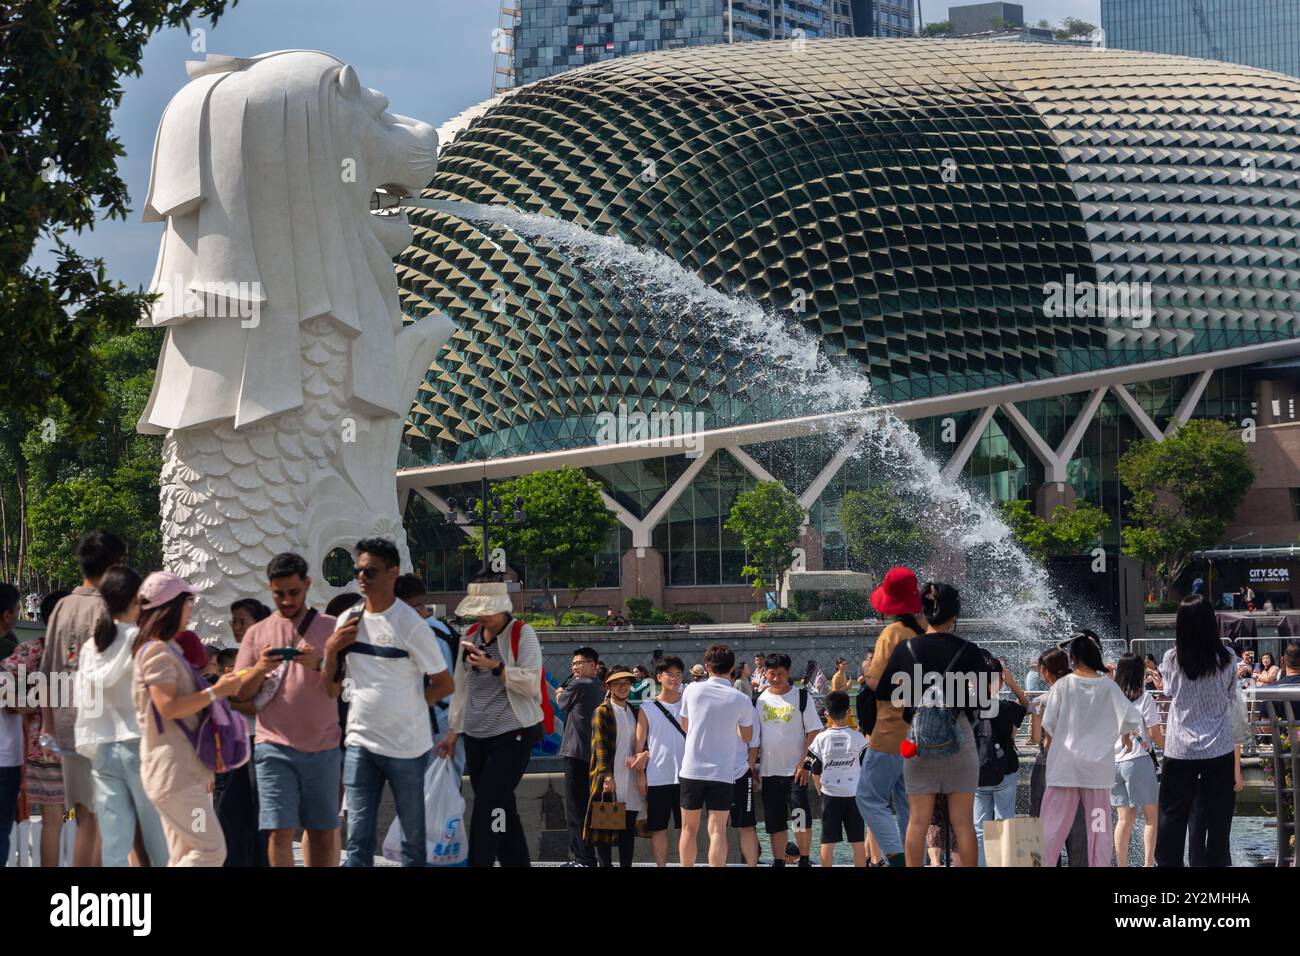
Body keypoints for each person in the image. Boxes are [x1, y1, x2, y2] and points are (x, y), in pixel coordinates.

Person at [323, 539, 452, 867]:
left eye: (370, 571)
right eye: (358, 571)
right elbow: (329, 688)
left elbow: (444, 683)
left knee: (412, 842)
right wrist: (331, 650)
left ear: (392, 573)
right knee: (357, 839)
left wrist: (412, 705)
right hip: (360, 743)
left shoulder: (410, 625)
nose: (361, 577)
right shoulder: (348, 621)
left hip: (407, 747)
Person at [234, 553, 344, 867]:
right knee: (279, 833)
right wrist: (259, 668)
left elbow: (339, 689)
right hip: (274, 747)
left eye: (293, 592)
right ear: (269, 588)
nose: (286, 600)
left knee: (322, 831)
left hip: (322, 746)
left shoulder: (329, 628)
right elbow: (241, 693)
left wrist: (321, 664)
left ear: (307, 584)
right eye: (278, 593)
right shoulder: (257, 633)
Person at [877, 581, 997, 868]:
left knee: (917, 821)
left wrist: (913, 697)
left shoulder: (906, 649)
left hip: (918, 743)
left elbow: (883, 692)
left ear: (923, 612)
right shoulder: (969, 650)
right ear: (955, 615)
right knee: (963, 823)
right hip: (961, 739)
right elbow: (982, 701)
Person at [133, 571, 244, 866]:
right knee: (210, 851)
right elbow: (167, 706)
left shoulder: (167, 650)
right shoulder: (157, 653)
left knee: (185, 853)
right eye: (188, 601)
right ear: (171, 607)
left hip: (180, 773)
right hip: (175, 775)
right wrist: (216, 692)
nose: (191, 608)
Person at [436, 573, 542, 867]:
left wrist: (495, 666)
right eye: (478, 612)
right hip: (476, 734)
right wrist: (454, 732)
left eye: (487, 612)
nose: (482, 617)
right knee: (502, 806)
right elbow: (461, 686)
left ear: (503, 607)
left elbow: (532, 683)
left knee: (485, 807)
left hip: (512, 733)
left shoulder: (522, 633)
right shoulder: (469, 635)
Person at [71, 566, 169, 868]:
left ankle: (116, 911)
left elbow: (83, 700)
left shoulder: (92, 646)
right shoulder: (142, 641)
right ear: (136, 599)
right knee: (157, 841)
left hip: (101, 748)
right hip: (139, 743)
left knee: (115, 843)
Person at [38, 529, 126, 866]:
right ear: (115, 564)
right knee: (105, 819)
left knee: (86, 819)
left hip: (67, 729)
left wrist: (49, 725)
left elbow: (46, 674)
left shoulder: (62, 606)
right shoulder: (110, 608)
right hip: (105, 728)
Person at [1040, 632, 1140, 868]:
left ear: (1072, 657)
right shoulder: (1108, 687)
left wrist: (1046, 746)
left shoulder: (1063, 685)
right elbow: (1129, 718)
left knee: (1051, 828)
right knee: (1098, 829)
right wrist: (1125, 737)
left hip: (1065, 768)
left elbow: (1049, 726)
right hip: (1096, 772)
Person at [1156, 593, 1241, 867]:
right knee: (1219, 815)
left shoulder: (1171, 659)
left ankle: (1169, 864)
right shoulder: (1227, 658)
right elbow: (1231, 693)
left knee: (1172, 814)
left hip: (1180, 746)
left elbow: (1168, 690)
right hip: (1219, 744)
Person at [856, 566, 927, 868]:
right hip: (920, 734)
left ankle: (897, 860)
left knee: (868, 797)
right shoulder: (923, 632)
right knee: (909, 806)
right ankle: (915, 861)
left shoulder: (892, 633)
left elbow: (875, 682)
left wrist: (865, 675)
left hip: (890, 732)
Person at [677, 643, 754, 867]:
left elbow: (684, 724)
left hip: (692, 769)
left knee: (689, 829)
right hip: (722, 772)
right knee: (718, 830)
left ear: (707, 666)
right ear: (732, 668)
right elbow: (747, 735)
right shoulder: (741, 699)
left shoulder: (692, 689)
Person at [754, 652, 822, 867]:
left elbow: (814, 733)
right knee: (775, 821)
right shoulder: (759, 700)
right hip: (768, 770)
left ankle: (804, 858)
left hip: (796, 772)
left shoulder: (802, 696)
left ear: (788, 673)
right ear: (765, 673)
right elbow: (754, 736)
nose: (776, 678)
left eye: (780, 674)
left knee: (800, 817)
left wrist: (805, 764)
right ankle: (778, 860)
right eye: (772, 673)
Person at [1028, 648, 1088, 866]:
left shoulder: (1041, 701)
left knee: (1041, 823)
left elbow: (1036, 739)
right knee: (1078, 823)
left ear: (1044, 671)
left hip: (1047, 767)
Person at [582, 668, 645, 866]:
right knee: (605, 830)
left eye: (626, 682)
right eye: (617, 683)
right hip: (610, 778)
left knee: (627, 830)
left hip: (631, 778)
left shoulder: (635, 712)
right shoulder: (603, 711)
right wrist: (606, 777)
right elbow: (599, 748)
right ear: (608, 686)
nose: (623, 686)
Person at [972, 654, 1028, 866]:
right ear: (999, 680)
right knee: (1005, 823)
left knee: (979, 828)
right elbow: (1027, 706)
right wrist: (1013, 683)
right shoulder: (1005, 707)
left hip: (977, 772)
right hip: (1005, 770)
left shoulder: (967, 708)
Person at [804, 690, 869, 867]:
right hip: (853, 794)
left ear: (826, 714)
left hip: (829, 794)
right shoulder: (859, 739)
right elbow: (866, 769)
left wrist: (821, 793)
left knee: (827, 841)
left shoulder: (820, 739)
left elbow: (813, 770)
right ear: (849, 712)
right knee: (857, 842)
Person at [1112, 652, 1164, 867]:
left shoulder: (1110, 698)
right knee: (1151, 817)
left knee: (1124, 819)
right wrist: (1168, 749)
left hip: (1114, 763)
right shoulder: (1145, 698)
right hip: (1138, 760)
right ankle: (1147, 864)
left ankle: (1121, 865)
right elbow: (1154, 734)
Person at [634, 656, 686, 867]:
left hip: (687, 775)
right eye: (669, 675)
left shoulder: (689, 703)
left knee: (687, 828)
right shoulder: (648, 707)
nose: (674, 679)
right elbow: (638, 744)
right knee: (658, 827)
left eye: (677, 675)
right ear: (659, 677)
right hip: (657, 776)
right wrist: (640, 774)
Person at [556, 645, 603, 867]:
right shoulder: (600, 686)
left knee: (576, 810)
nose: (575, 667)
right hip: (595, 756)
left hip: (575, 754)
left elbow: (561, 703)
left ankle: (583, 859)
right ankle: (595, 858)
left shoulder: (578, 684)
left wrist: (559, 693)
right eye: (573, 663)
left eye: (579, 663)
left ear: (593, 665)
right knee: (590, 808)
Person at [0, 584, 23, 866]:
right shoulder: (9, 651)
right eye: (18, 610)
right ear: (6, 615)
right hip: (4, 757)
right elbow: (15, 703)